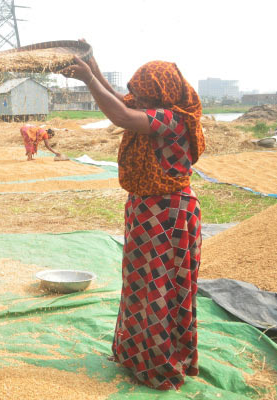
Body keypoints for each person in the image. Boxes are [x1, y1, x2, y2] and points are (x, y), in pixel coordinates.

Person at [60, 53, 204, 391]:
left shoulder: (174, 120)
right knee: (140, 285)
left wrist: (88, 80)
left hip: (169, 215)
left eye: (141, 94)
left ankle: (161, 365)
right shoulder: (151, 109)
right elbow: (121, 102)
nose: (134, 98)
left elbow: (122, 115)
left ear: (159, 96)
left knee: (160, 289)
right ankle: (136, 355)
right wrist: (91, 63)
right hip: (145, 211)